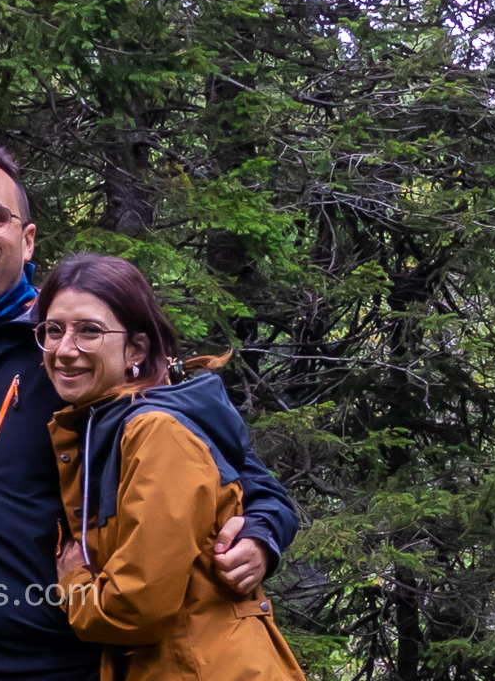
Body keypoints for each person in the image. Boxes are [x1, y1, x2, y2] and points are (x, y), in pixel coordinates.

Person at [0, 140, 298, 681]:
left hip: (69, 662)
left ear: (27, 240)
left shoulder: (76, 354)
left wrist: (264, 532)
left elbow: (231, 471)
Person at [40, 252, 304, 681]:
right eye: (54, 331)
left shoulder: (156, 433)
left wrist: (73, 581)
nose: (65, 350)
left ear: (136, 349)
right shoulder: (102, 423)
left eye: (89, 331)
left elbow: (136, 607)